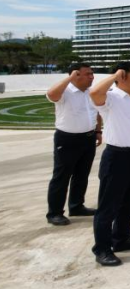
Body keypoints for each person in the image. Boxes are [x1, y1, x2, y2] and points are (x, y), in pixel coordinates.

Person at [89, 62, 130, 267]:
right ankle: (102, 249)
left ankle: (122, 238)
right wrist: (114, 75)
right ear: (122, 77)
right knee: (108, 206)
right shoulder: (111, 98)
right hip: (117, 156)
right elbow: (94, 93)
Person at [45, 63, 102, 226]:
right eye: (88, 74)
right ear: (75, 75)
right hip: (67, 139)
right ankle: (55, 212)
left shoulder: (91, 92)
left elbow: (96, 112)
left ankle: (76, 206)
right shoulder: (65, 92)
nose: (92, 77)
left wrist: (98, 131)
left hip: (88, 138)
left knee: (81, 175)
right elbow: (51, 94)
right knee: (61, 176)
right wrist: (69, 79)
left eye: (92, 73)